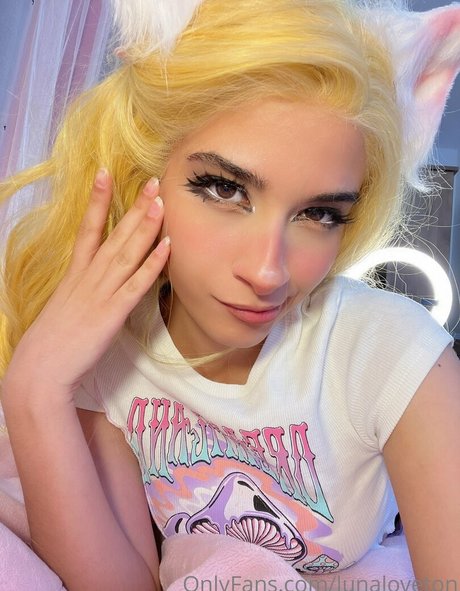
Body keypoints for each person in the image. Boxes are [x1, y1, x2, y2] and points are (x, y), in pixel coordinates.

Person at [0, 0, 459, 589]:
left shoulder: (393, 354)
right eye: (223, 189)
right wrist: (35, 390)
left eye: (320, 213)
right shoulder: (111, 355)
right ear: (145, 173)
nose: (269, 272)